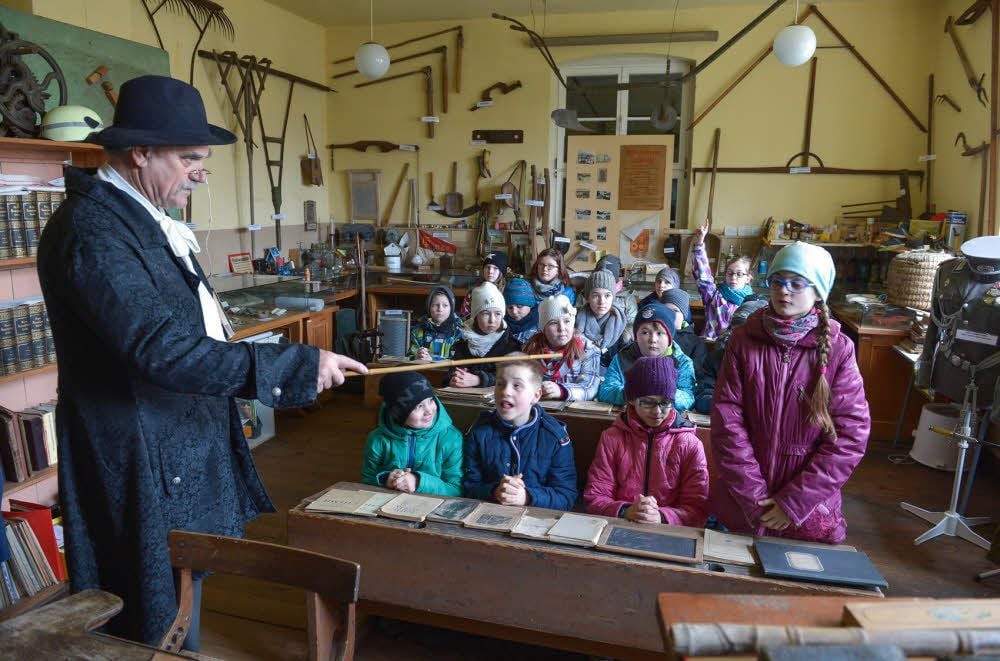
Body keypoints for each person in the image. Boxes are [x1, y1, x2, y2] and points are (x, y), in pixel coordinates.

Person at [35, 75, 368, 647]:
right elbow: (157, 348)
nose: (201, 171)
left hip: (170, 441)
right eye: (189, 157)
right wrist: (291, 366)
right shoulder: (93, 231)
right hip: (138, 450)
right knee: (151, 607)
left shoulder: (137, 220)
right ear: (140, 153)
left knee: (180, 591)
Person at [710, 242, 870, 544]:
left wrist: (792, 503)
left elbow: (850, 436)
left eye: (797, 283)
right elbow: (726, 420)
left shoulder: (839, 348)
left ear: (817, 291)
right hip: (743, 505)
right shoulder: (745, 339)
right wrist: (753, 497)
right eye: (778, 282)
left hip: (809, 512)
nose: (784, 291)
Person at [583, 356, 708, 527]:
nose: (657, 411)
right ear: (632, 400)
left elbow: (697, 508)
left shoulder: (689, 444)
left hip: (670, 531)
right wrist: (626, 510)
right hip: (621, 523)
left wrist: (662, 516)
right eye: (647, 402)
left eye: (665, 403)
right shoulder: (612, 438)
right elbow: (595, 497)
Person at [463, 359, 577, 510]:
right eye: (500, 384)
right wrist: (495, 491)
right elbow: (468, 487)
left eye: (517, 386)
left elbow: (566, 496)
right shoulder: (479, 431)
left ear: (536, 396)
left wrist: (527, 496)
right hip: (490, 512)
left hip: (537, 519)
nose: (506, 391)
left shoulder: (555, 436)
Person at [362, 372, 463, 497]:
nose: (429, 410)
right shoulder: (377, 439)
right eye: (419, 406)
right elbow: (366, 482)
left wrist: (418, 481)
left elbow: (455, 489)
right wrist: (384, 480)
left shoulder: (451, 438)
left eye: (431, 400)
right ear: (398, 413)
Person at [598, 303, 696, 411]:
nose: (653, 339)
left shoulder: (682, 362)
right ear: (636, 337)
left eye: (660, 333)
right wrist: (632, 392)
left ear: (670, 337)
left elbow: (688, 397)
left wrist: (660, 391)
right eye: (645, 332)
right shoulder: (623, 357)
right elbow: (606, 391)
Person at [523, 295, 601, 401]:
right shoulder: (531, 349)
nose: (562, 328)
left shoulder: (588, 349)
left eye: (567, 321)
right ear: (543, 328)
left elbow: (590, 388)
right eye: (553, 323)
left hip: (573, 414)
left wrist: (561, 391)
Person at [447, 282, 520, 388]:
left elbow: (512, 378)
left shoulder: (511, 346)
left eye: (497, 314)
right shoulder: (464, 343)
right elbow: (451, 374)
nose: (492, 320)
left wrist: (479, 379)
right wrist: (454, 379)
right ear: (475, 316)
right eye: (485, 313)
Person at [691, 220, 755, 340]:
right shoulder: (715, 295)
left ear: (748, 278)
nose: (733, 277)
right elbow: (703, 276)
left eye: (739, 274)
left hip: (735, 352)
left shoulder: (752, 304)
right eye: (729, 273)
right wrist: (699, 243)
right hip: (709, 348)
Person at [659, 289, 715, 414]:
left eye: (675, 311)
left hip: (682, 397)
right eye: (666, 310)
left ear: (683, 315)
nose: (670, 315)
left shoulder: (695, 343)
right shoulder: (651, 338)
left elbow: (697, 376)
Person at [575, 268, 627, 370]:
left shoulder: (620, 325)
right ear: (588, 297)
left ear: (613, 297)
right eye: (595, 296)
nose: (602, 301)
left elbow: (624, 365)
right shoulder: (574, 320)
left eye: (607, 295)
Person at [409, 285, 463, 361]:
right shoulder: (419, 330)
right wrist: (416, 357)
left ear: (451, 308)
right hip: (422, 371)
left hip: (449, 372)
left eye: (445, 305)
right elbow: (409, 357)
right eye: (435, 305)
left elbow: (459, 360)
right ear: (429, 307)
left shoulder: (458, 331)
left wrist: (433, 360)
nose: (440, 309)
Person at [594, 254, 638, 342]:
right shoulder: (586, 293)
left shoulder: (627, 298)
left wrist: (619, 341)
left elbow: (633, 324)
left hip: (618, 341)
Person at [459, 251, 508, 318]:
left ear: (502, 272)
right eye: (487, 267)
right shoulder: (474, 291)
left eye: (495, 268)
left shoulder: (507, 292)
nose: (490, 271)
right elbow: (464, 314)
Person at [503, 277, 539, 345]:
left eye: (519, 306)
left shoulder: (542, 324)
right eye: (510, 307)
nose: (514, 311)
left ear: (530, 305)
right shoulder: (501, 325)